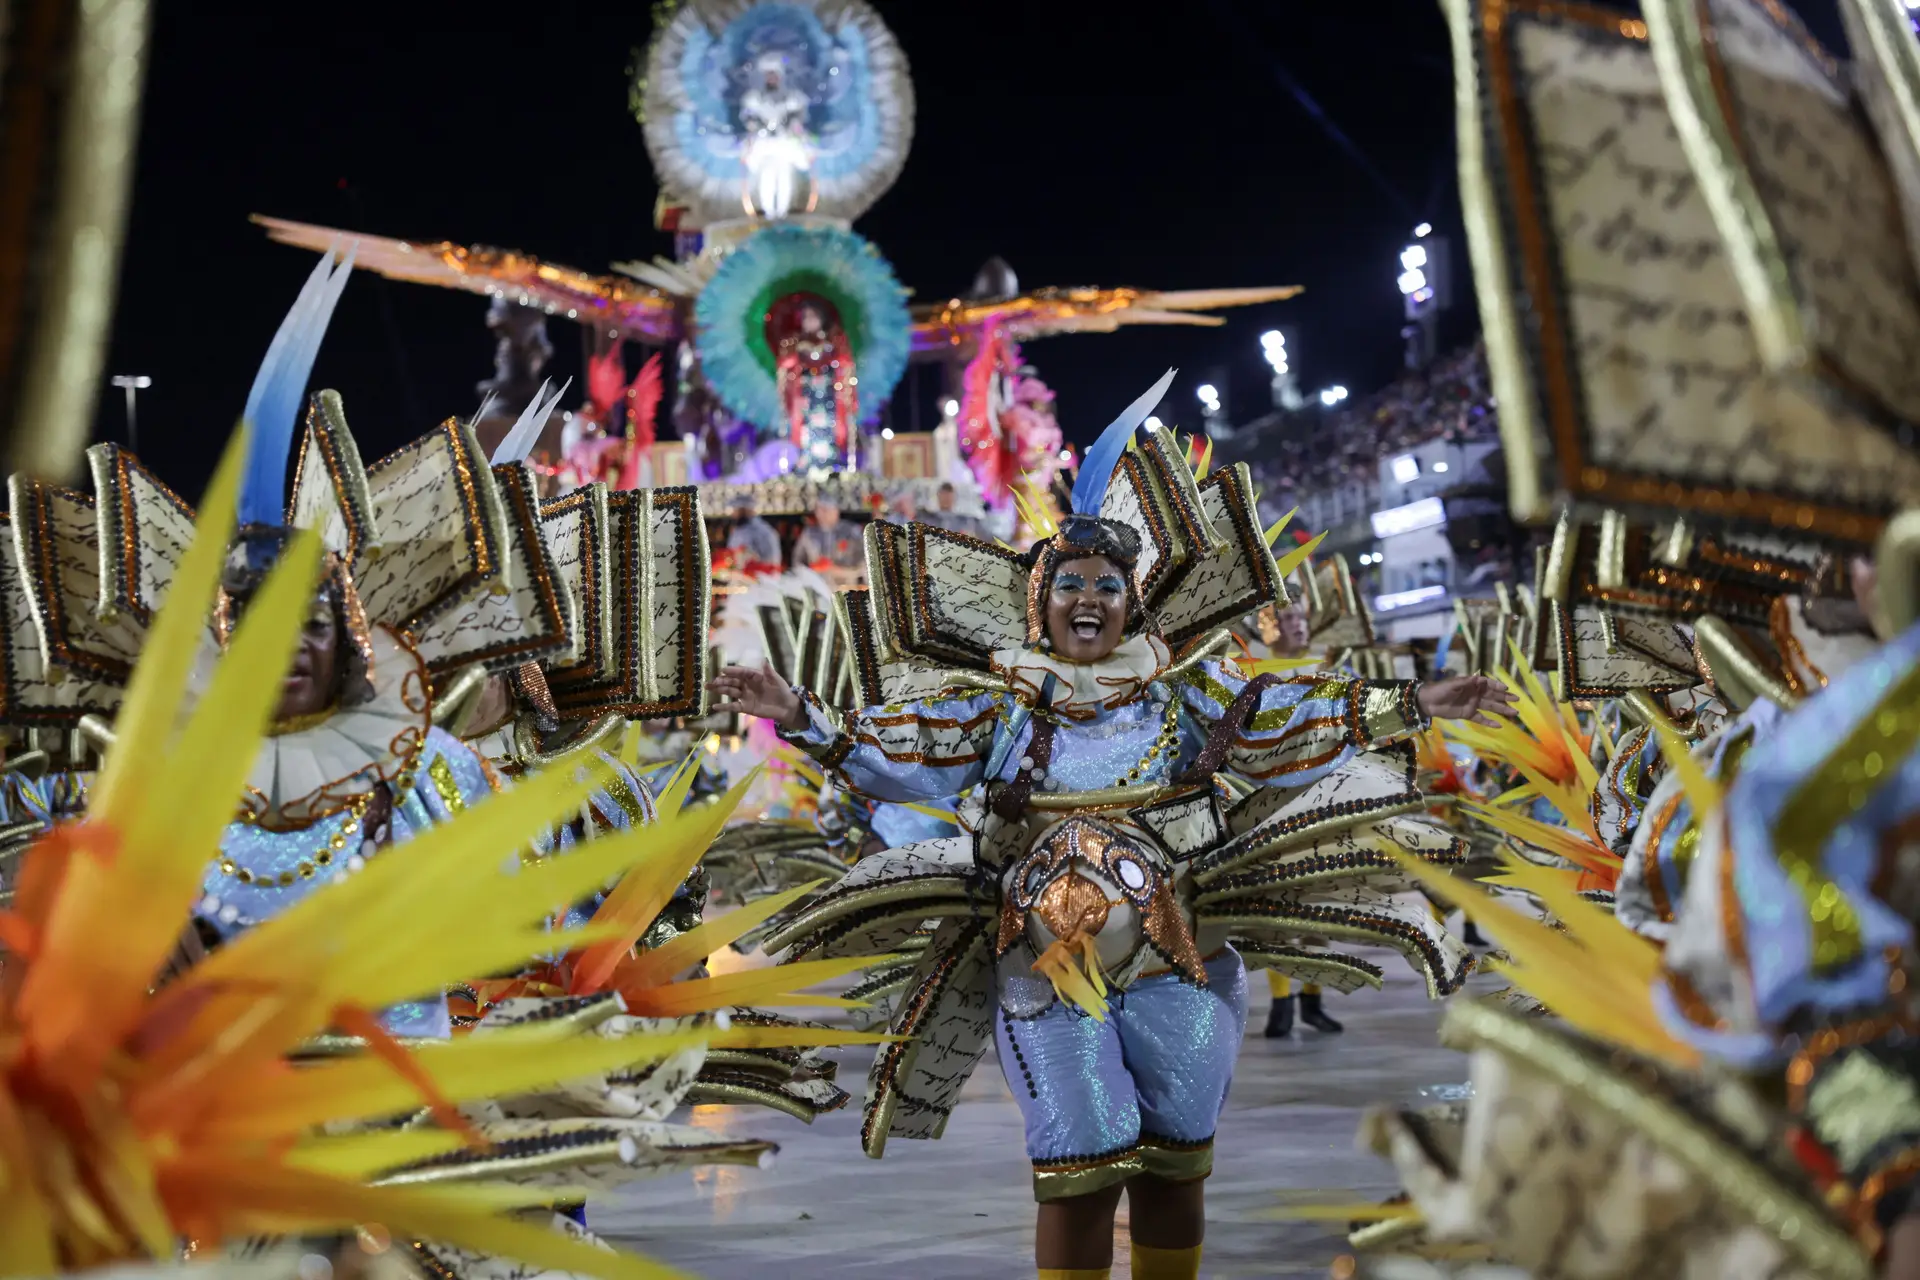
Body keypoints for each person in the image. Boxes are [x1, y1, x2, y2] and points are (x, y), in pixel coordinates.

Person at [714, 371, 1513, 1280]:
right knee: (1082, 1160)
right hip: (1044, 966)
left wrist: (1413, 698)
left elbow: (1287, 716)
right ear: (1040, 604)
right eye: (1069, 586)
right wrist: (800, 712)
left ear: (1131, 603)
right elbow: (895, 750)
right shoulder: (1003, 709)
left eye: (1105, 585)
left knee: (1176, 1163)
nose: (1087, 599)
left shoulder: (1185, 698)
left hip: (1184, 959)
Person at [790, 496, 865, 583]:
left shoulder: (851, 531)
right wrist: (810, 571)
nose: (821, 514)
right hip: (816, 586)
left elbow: (864, 564)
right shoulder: (809, 533)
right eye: (818, 510)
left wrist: (838, 570)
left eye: (826, 510)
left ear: (836, 511)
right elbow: (797, 561)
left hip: (846, 587)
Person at [725, 495, 783, 568]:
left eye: (735, 510)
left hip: (759, 576)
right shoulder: (738, 530)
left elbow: (771, 562)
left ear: (745, 510)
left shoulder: (763, 531)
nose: (733, 514)